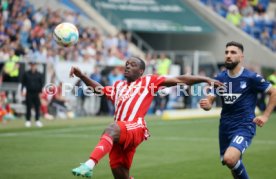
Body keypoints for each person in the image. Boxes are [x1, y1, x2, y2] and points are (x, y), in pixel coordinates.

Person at [70, 56, 223, 178]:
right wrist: (82, 76)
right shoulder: (118, 86)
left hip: (135, 127)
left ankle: (89, 164)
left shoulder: (149, 81)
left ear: (141, 71)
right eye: (127, 64)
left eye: (133, 65)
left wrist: (206, 79)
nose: (128, 66)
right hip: (121, 133)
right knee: (119, 172)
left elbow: (180, 79)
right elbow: (100, 90)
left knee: (110, 128)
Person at [199, 41, 276, 179]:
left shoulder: (251, 77)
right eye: (226, 52)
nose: (228, 55)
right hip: (225, 127)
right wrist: (208, 104)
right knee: (231, 163)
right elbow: (210, 98)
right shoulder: (220, 78)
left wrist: (265, 116)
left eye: (233, 52)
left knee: (230, 159)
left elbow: (273, 92)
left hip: (244, 125)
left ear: (241, 57)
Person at [21, 61, 44, 127]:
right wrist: (22, 90)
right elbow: (23, 83)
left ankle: (37, 120)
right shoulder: (26, 74)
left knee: (37, 107)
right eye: (32, 65)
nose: (33, 66)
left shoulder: (39, 74)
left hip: (37, 93)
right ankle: (28, 120)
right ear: (30, 66)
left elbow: (41, 84)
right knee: (28, 107)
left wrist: (40, 92)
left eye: (34, 65)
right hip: (29, 92)